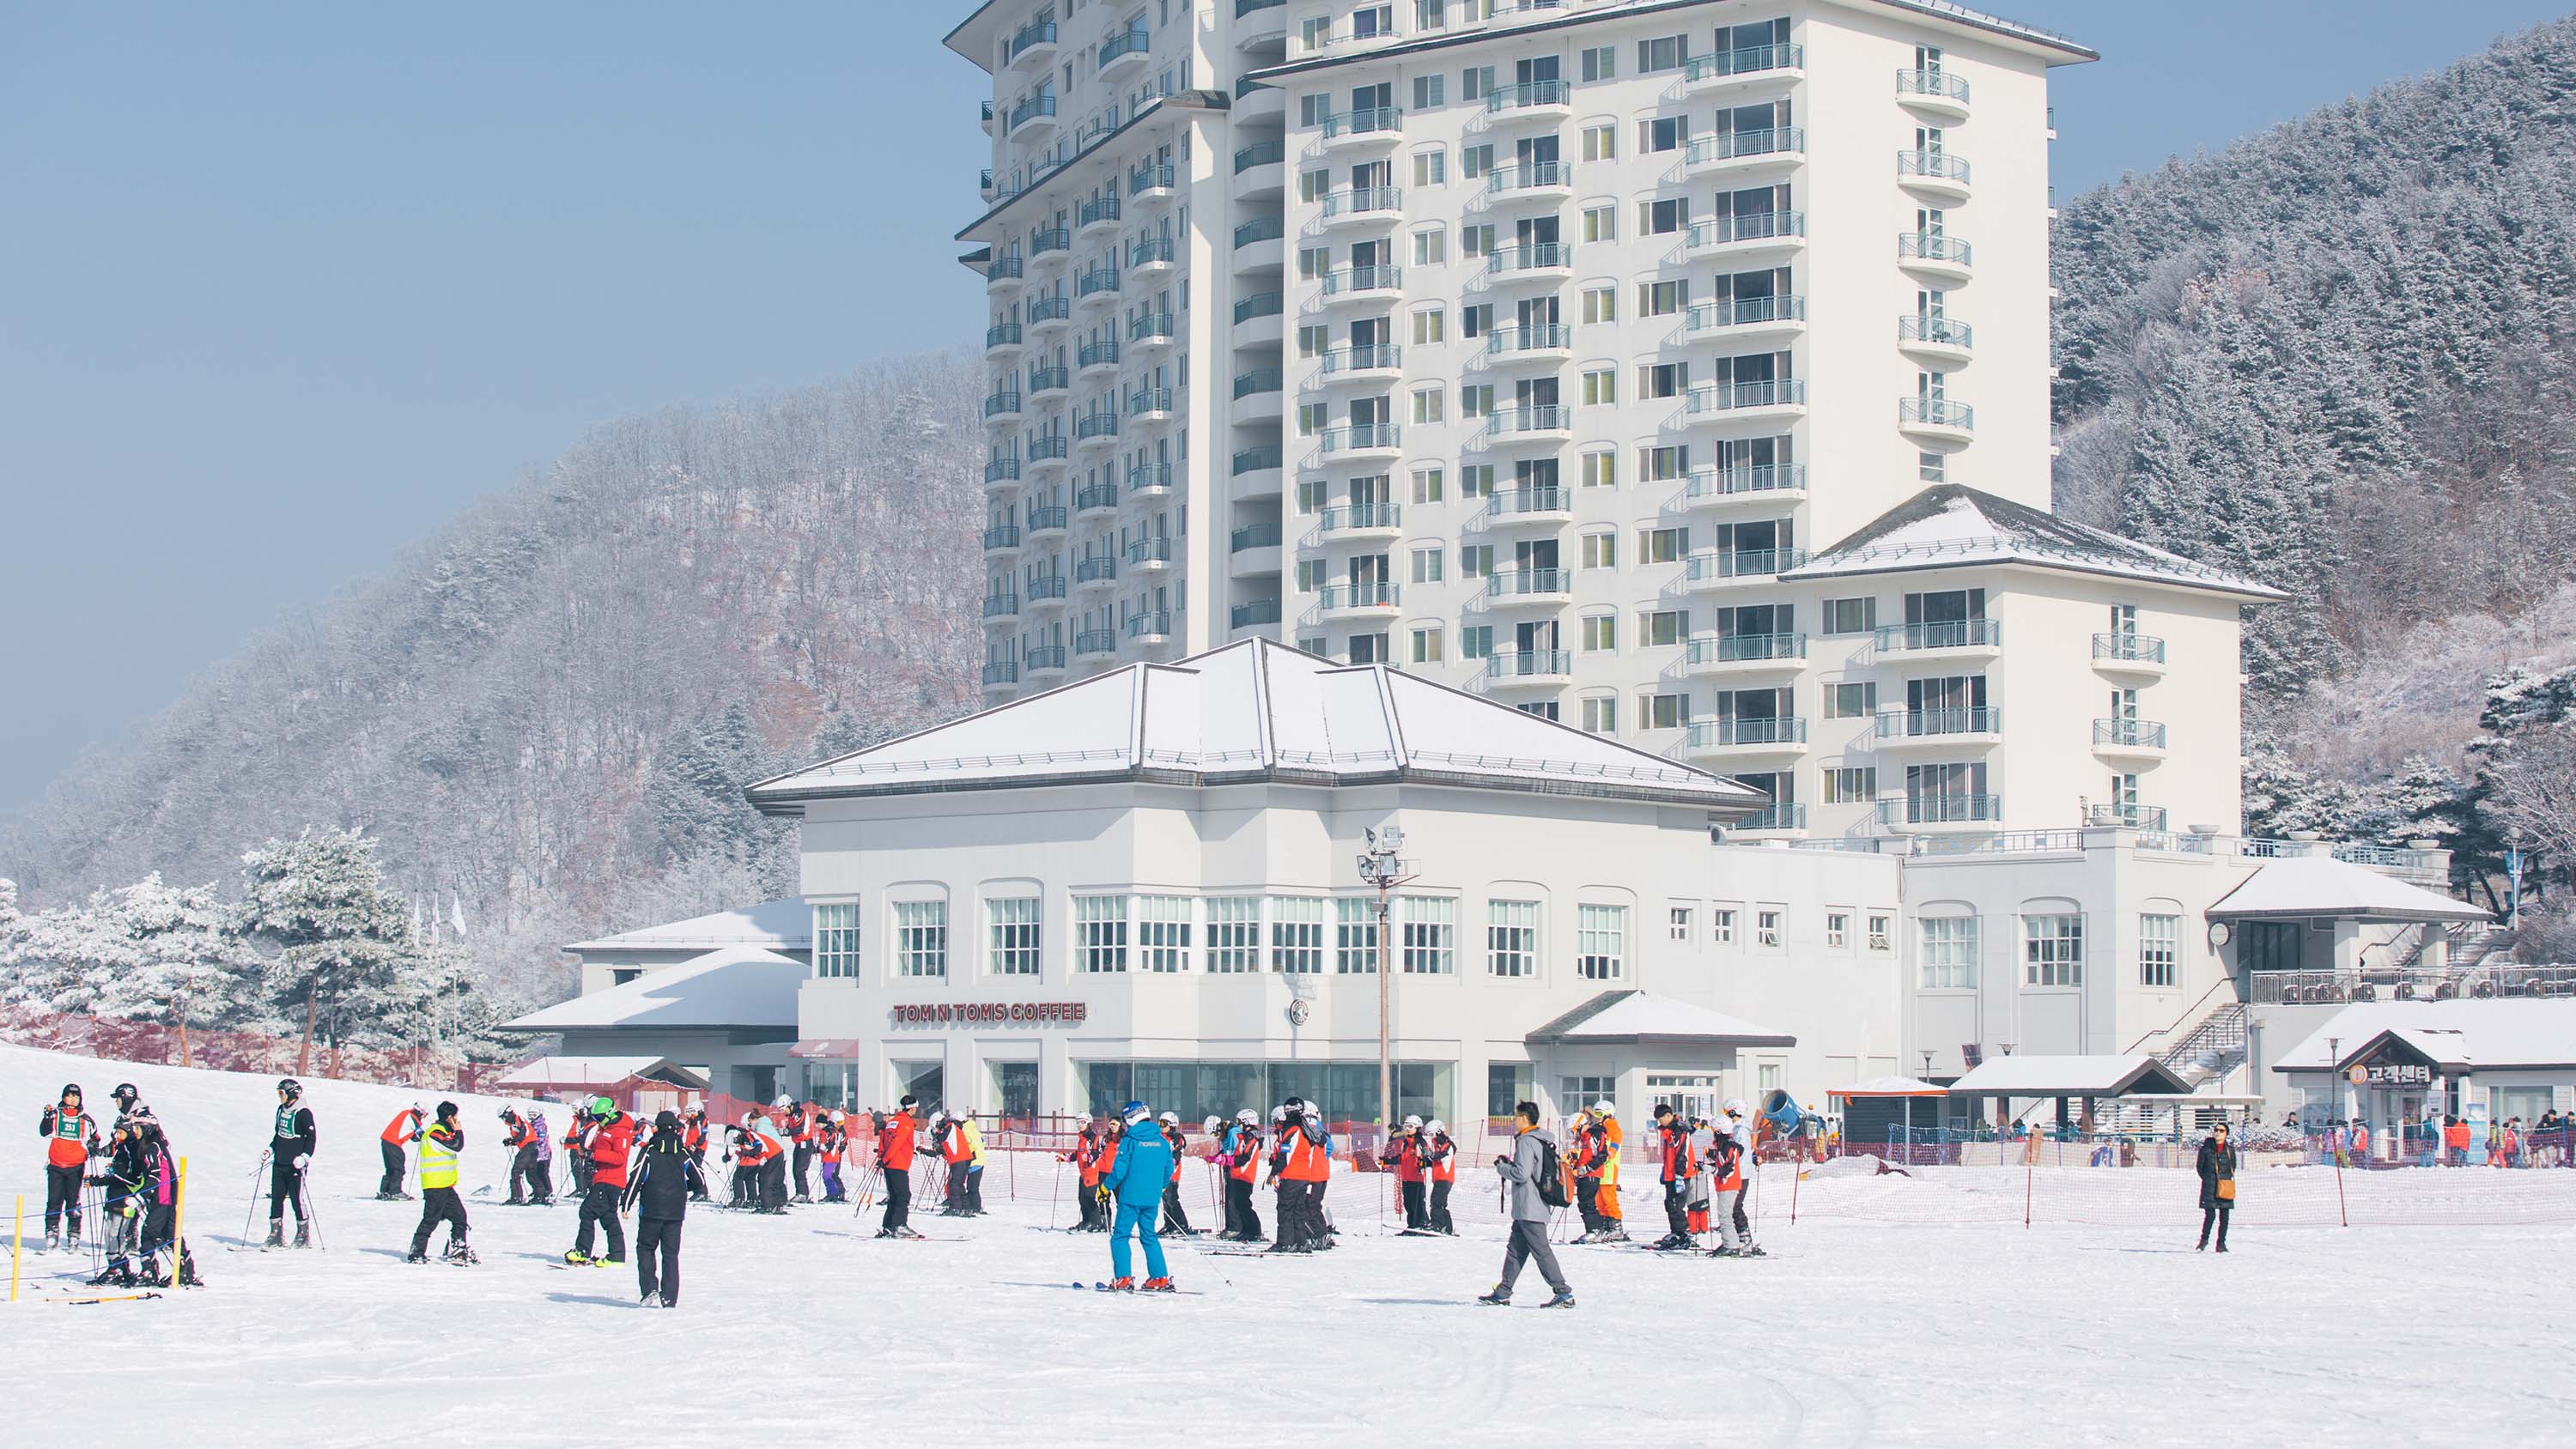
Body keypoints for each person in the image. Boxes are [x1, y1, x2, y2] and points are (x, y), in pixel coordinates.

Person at [1479, 1100, 1574, 1308]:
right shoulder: (1539, 1140)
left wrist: (1502, 1168)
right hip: (1528, 1208)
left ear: (1524, 1118)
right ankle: (1503, 1291)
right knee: (1515, 1250)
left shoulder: (1527, 1141)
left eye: (1516, 1117)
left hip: (1530, 1208)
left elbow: (1521, 1174)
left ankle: (1563, 1292)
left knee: (1541, 1251)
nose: (1514, 1121)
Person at [623, 1111, 704, 1308]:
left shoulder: (650, 1150)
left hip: (651, 1208)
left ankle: (650, 1288)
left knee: (645, 1248)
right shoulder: (683, 1152)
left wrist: (626, 1204)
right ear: (676, 1128)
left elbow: (636, 1178)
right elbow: (699, 1181)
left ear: (656, 1128)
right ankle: (669, 1297)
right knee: (670, 1254)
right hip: (676, 1211)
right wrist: (682, 1187)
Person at [1103, 1100, 1179, 1291]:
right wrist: (1161, 1186)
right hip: (1151, 1198)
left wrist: (1105, 1188)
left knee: (1120, 1236)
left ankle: (1123, 1278)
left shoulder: (1130, 1141)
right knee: (1149, 1236)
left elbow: (1119, 1171)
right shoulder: (1162, 1141)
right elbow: (1169, 1167)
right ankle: (1159, 1277)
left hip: (1130, 1197)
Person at [565, 1095, 633, 1266]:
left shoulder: (621, 1131)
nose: (598, 1121)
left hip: (612, 1180)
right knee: (608, 1216)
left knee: (587, 1211)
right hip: (602, 1177)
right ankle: (617, 1255)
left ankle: (582, 1250)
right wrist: (588, 1155)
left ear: (609, 1114)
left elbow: (619, 1157)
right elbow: (600, 1151)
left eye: (600, 1118)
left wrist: (595, 1155)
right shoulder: (605, 1129)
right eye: (596, 1118)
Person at [406, 1101, 475, 1265]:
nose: (457, 1120)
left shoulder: (442, 1131)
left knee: (460, 1218)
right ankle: (416, 1252)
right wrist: (458, 1131)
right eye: (455, 1117)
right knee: (430, 1220)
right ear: (450, 1118)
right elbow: (456, 1146)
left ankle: (457, 1250)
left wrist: (454, 1130)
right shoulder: (434, 1133)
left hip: (445, 1185)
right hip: (435, 1186)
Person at [38, 1082, 100, 1252]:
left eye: (76, 1096)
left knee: (73, 1201)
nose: (72, 1099)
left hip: (76, 1166)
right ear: (63, 1097)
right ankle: (51, 1233)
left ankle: (73, 1234)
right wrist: (47, 1118)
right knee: (54, 1201)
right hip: (56, 1165)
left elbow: (95, 1136)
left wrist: (94, 1145)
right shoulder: (56, 1115)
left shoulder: (85, 1119)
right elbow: (44, 1132)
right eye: (69, 1095)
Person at [265, 1077, 318, 1250]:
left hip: (295, 1164)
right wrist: (270, 1150)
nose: (280, 1097)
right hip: (279, 1161)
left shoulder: (304, 1113)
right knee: (277, 1197)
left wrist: (304, 1157)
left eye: (282, 1093)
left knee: (296, 1198)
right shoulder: (281, 1110)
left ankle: (303, 1234)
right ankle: (276, 1234)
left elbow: (311, 1139)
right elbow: (278, 1134)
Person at [1706, 1125, 1760, 1258]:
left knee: (1726, 1215)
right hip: (1725, 1184)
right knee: (1726, 1214)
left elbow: (1729, 1168)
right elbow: (1722, 1162)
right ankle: (1731, 1242)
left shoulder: (1732, 1142)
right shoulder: (1725, 1145)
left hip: (1729, 1184)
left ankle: (1732, 1244)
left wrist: (1713, 1170)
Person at [874, 1095, 923, 1239]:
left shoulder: (892, 1121)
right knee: (903, 1195)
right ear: (913, 1108)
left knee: (894, 1196)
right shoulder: (906, 1122)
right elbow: (897, 1143)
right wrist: (887, 1157)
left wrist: (882, 1158)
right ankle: (900, 1225)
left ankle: (888, 1226)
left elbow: (883, 1139)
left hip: (889, 1164)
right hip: (898, 1163)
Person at [1652, 1106, 1698, 1249]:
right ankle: (1676, 1232)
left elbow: (1681, 1155)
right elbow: (1669, 1156)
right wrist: (1665, 1172)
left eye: (1660, 1119)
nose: (1659, 1123)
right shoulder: (1669, 1131)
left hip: (1681, 1174)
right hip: (1670, 1173)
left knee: (1676, 1205)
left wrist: (1679, 1176)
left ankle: (1684, 1234)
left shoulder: (1679, 1131)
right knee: (1670, 1204)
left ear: (1667, 1116)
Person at [1219, 1109, 1264, 1242]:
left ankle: (1254, 1230)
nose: (1238, 1125)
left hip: (1245, 1175)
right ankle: (1246, 1230)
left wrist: (1229, 1161)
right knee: (1239, 1204)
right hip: (1238, 1174)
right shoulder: (1245, 1136)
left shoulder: (1251, 1137)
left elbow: (1245, 1157)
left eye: (1239, 1122)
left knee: (1244, 1204)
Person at [1722, 1098, 1759, 1252]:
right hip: (1739, 1172)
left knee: (1735, 1206)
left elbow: (1738, 1152)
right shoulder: (1737, 1129)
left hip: (1741, 1174)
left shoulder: (1740, 1131)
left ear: (1733, 1111)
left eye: (1726, 1112)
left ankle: (1745, 1239)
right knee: (1733, 1206)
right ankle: (1739, 1238)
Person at [1381, 1115, 1428, 1231]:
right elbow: (1401, 1159)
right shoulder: (1405, 1143)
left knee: (1417, 1205)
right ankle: (1411, 1226)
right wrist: (1387, 1160)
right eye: (1406, 1126)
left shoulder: (1420, 1142)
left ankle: (1420, 1225)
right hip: (1406, 1179)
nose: (1407, 1129)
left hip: (1417, 1179)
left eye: (1410, 1126)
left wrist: (1423, 1160)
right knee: (1408, 1204)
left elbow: (1427, 1156)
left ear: (1417, 1128)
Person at [2195, 1122, 2237, 1252]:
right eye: (2216, 1130)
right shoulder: (2206, 1149)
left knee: (2224, 1217)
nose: (2218, 1133)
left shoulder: (2230, 1150)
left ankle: (2221, 1244)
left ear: (2226, 1134)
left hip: (2225, 1186)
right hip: (2210, 1186)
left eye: (2221, 1130)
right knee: (2210, 1215)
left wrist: (2224, 1179)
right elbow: (2200, 1167)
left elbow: (2232, 1166)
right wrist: (2208, 1178)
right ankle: (2204, 1240)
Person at [1066, 1115, 1110, 1232]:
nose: (1080, 1125)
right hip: (1083, 1173)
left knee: (1089, 1198)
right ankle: (1086, 1221)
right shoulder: (1082, 1138)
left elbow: (1096, 1152)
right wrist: (1067, 1158)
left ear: (1089, 1123)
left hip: (1091, 1172)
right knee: (1081, 1198)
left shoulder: (1093, 1137)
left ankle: (1095, 1222)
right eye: (1078, 1122)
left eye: (1083, 1122)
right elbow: (1078, 1154)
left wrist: (1091, 1157)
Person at [1593, 1100, 1628, 1242]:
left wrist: (1612, 1150)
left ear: (1608, 1114)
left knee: (1609, 1199)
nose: (1597, 1117)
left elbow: (1617, 1137)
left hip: (1609, 1169)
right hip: (1600, 1169)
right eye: (1596, 1113)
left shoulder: (1611, 1126)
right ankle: (1606, 1225)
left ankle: (1616, 1227)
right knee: (1599, 1200)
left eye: (1599, 1113)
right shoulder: (1600, 1127)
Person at [376, 1102, 425, 1201]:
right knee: (398, 1168)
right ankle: (394, 1191)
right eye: (425, 1114)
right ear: (421, 1112)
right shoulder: (412, 1118)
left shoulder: (405, 1114)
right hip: (393, 1142)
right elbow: (420, 1134)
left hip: (386, 1141)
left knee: (391, 1168)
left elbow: (411, 1134)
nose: (424, 1117)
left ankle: (385, 1191)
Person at [1156, 1111, 1194, 1235]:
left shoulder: (1176, 1138)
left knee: (1172, 1199)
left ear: (1172, 1124)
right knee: (1165, 1200)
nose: (1160, 1126)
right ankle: (1169, 1224)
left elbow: (1176, 1155)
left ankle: (1182, 1224)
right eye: (1159, 1123)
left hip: (1172, 1174)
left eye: (1163, 1123)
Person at [750, 1106, 790, 1213]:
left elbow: (762, 1144)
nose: (750, 1126)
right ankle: (779, 1202)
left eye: (750, 1123)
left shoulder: (760, 1127)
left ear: (754, 1120)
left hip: (773, 1154)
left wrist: (761, 1158)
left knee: (766, 1178)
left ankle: (768, 1203)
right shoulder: (767, 1124)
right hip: (780, 1152)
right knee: (777, 1179)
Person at [1422, 1120, 1457, 1234]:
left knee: (1436, 1202)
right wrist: (1425, 1161)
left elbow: (1440, 1157)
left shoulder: (1447, 1145)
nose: (1431, 1138)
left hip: (1445, 1178)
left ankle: (1437, 1225)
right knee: (1441, 1203)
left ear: (1438, 1131)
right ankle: (1447, 1227)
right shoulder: (1439, 1146)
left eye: (1432, 1134)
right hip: (1439, 1178)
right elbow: (1434, 1160)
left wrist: (1430, 1154)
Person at [500, 1107, 538, 1204]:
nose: (503, 1120)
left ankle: (517, 1197)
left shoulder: (519, 1119)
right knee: (531, 1172)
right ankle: (540, 1196)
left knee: (516, 1172)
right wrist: (510, 1141)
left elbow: (524, 1133)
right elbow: (520, 1137)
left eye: (504, 1117)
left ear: (508, 1114)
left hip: (528, 1147)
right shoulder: (514, 1123)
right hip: (529, 1147)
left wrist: (513, 1140)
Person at [785, 1097, 818, 1203]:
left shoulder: (799, 1113)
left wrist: (787, 1131)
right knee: (795, 1169)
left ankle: (803, 1193)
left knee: (800, 1169)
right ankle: (800, 1192)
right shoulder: (792, 1115)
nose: (784, 1112)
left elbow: (800, 1129)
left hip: (805, 1143)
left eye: (783, 1109)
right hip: (799, 1144)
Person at [958, 1110, 988, 1214]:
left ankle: (976, 1207)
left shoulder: (965, 1131)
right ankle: (973, 1206)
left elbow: (969, 1145)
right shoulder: (973, 1129)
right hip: (980, 1160)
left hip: (975, 1161)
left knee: (972, 1187)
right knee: (972, 1186)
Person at [817, 1111, 848, 1203]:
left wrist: (835, 1149)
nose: (840, 1125)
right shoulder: (830, 1130)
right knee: (830, 1175)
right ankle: (835, 1193)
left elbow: (842, 1144)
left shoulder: (841, 1131)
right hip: (831, 1156)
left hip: (834, 1156)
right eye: (839, 1123)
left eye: (842, 1123)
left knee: (831, 1175)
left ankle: (837, 1193)